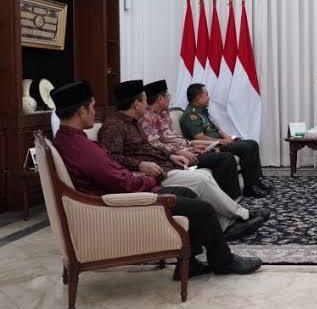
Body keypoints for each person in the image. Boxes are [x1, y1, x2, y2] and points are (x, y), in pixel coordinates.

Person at [50, 80, 262, 278]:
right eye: (92, 106)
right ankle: (223, 261)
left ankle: (189, 263)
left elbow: (115, 170)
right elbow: (122, 180)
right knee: (203, 208)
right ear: (82, 111)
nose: (95, 112)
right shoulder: (84, 147)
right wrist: (151, 179)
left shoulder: (69, 140)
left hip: (129, 190)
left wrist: (160, 166)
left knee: (189, 194)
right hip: (124, 202)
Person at [98, 80, 268, 241]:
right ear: (136, 104)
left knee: (204, 177)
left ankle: (231, 221)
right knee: (202, 179)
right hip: (152, 175)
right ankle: (241, 217)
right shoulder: (113, 126)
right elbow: (111, 158)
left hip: (165, 165)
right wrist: (141, 165)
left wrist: (171, 155)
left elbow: (151, 147)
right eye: (144, 101)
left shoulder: (134, 123)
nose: (146, 104)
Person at [139, 80, 241, 200]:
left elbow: (175, 137)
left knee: (222, 155)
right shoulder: (148, 119)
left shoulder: (164, 114)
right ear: (160, 99)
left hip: (188, 150)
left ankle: (228, 199)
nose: (170, 98)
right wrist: (178, 152)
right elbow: (155, 144)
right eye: (168, 96)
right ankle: (226, 200)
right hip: (179, 157)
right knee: (225, 158)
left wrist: (193, 146)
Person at [179, 83, 272, 198]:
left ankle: (256, 181)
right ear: (198, 98)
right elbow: (199, 137)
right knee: (246, 148)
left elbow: (215, 128)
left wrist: (227, 137)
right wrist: (220, 141)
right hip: (213, 146)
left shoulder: (202, 111)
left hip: (221, 142)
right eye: (206, 95)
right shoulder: (190, 115)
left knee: (253, 143)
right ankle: (249, 188)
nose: (209, 97)